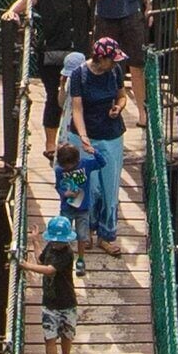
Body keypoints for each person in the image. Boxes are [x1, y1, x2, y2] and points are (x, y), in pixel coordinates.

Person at [1, 0, 100, 134]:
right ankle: (50, 143)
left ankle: (76, 137)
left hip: (77, 52)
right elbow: (26, 1)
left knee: (79, 96)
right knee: (53, 97)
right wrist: (12, 11)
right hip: (52, 52)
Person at [64, 34, 135, 252]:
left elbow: (121, 96)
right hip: (85, 136)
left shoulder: (114, 71)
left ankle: (107, 235)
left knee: (109, 188)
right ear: (99, 58)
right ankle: (87, 232)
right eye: (111, 59)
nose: (115, 63)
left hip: (111, 136)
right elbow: (76, 108)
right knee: (89, 187)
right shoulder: (79, 75)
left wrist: (119, 107)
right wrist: (84, 138)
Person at [23, 212, 80, 354]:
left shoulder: (67, 254)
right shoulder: (50, 247)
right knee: (49, 338)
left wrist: (26, 266)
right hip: (49, 303)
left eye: (60, 241)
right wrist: (35, 241)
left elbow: (48, 270)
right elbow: (42, 259)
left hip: (67, 302)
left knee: (66, 334)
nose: (57, 243)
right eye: (55, 240)